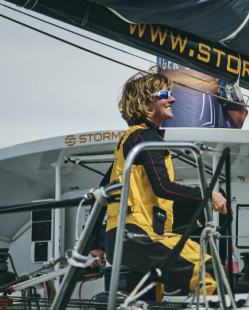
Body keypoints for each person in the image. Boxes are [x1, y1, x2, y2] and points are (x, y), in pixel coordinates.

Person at [90, 66, 229, 299]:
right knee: (211, 271)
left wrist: (94, 245)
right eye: (165, 95)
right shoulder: (147, 137)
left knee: (150, 302)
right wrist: (207, 195)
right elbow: (162, 187)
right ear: (145, 104)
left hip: (121, 243)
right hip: (140, 238)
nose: (173, 99)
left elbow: (100, 196)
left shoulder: (127, 143)